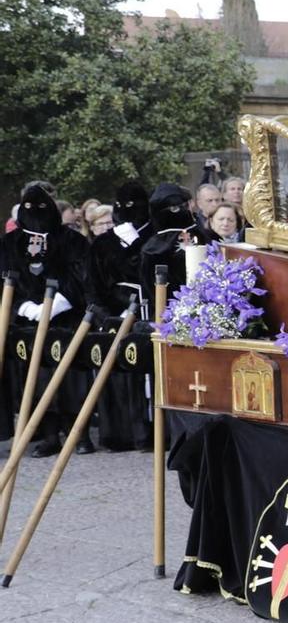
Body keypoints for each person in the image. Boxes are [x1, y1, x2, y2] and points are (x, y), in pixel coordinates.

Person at [2, 182, 96, 457]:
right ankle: (48, 435)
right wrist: (26, 308)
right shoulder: (9, 244)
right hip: (28, 324)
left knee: (71, 379)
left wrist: (58, 303)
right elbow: (7, 279)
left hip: (66, 320)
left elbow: (82, 275)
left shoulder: (71, 240)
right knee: (38, 380)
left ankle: (78, 433)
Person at [88, 181, 155, 452]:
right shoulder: (103, 244)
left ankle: (153, 432)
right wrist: (108, 317)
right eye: (121, 206)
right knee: (121, 375)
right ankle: (123, 434)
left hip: (149, 312)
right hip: (117, 317)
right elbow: (93, 285)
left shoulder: (156, 236)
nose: (126, 211)